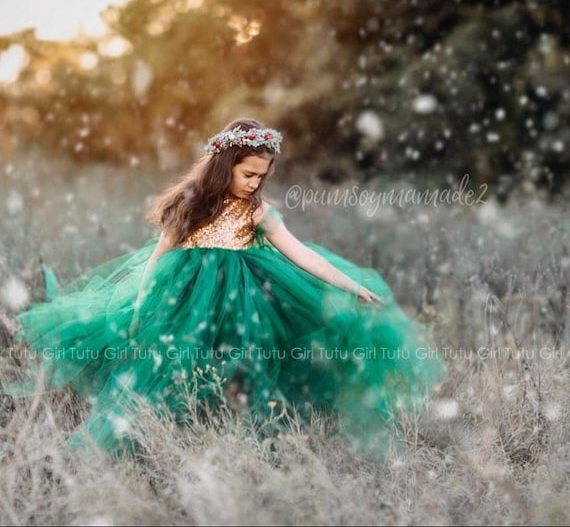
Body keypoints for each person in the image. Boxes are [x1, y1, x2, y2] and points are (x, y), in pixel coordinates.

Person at [4, 118, 442, 456]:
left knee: (243, 367)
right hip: (185, 299)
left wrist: (348, 284)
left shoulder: (257, 212)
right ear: (224, 164)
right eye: (249, 173)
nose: (255, 182)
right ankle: (156, 440)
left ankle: (245, 440)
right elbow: (158, 258)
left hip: (245, 301)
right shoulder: (191, 204)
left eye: (262, 176)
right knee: (170, 367)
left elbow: (301, 253)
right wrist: (139, 306)